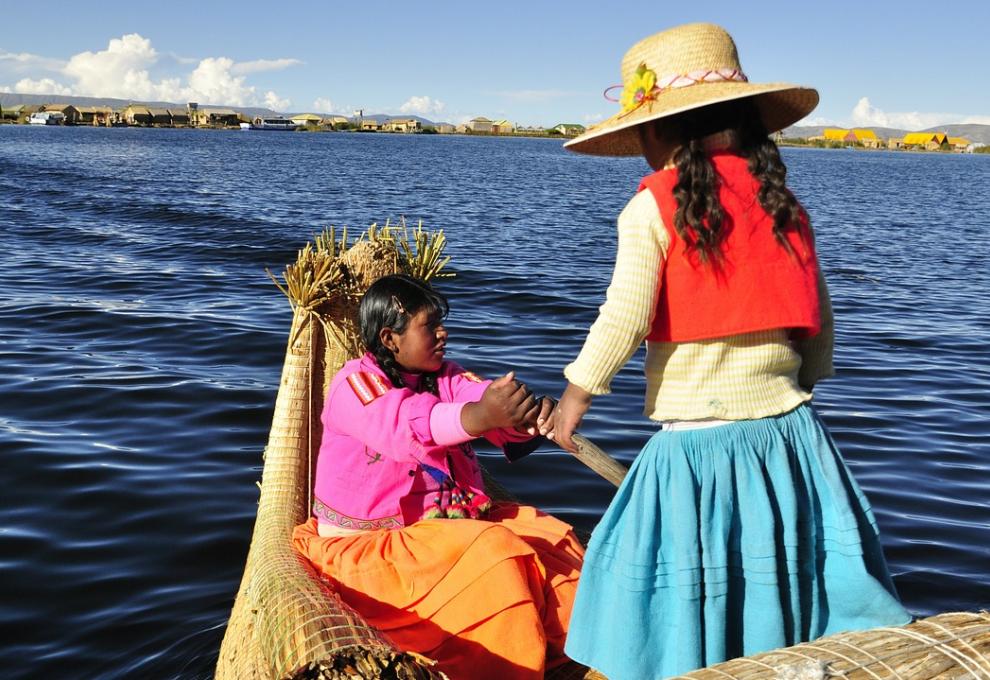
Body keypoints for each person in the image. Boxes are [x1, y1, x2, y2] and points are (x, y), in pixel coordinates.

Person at [541, 22, 912, 679]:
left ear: (660, 132)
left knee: (654, 577)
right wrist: (806, 383)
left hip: (699, 448)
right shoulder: (783, 204)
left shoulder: (652, 208)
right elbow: (820, 319)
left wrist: (575, 398)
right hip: (791, 437)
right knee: (776, 576)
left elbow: (623, 315)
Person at [292, 274, 584, 680]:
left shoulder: (446, 376)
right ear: (391, 339)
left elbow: (479, 403)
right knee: (495, 552)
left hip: (444, 531)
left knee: (553, 539)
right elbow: (404, 426)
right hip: (373, 549)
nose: (443, 333)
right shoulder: (355, 385)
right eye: (430, 325)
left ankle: (578, 653)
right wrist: (481, 417)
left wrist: (525, 416)